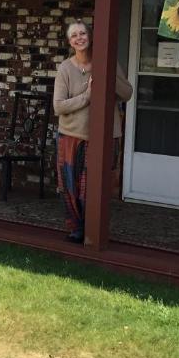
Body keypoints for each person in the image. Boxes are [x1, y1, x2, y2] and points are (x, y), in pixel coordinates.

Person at [52, 20, 133, 244]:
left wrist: (106, 74)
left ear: (90, 36)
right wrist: (87, 96)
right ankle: (77, 228)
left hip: (105, 136)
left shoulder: (108, 63)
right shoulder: (66, 68)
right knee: (71, 185)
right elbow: (58, 106)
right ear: (70, 42)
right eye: (74, 35)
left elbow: (127, 93)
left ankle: (95, 228)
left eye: (83, 33)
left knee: (97, 185)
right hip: (72, 135)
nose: (79, 38)